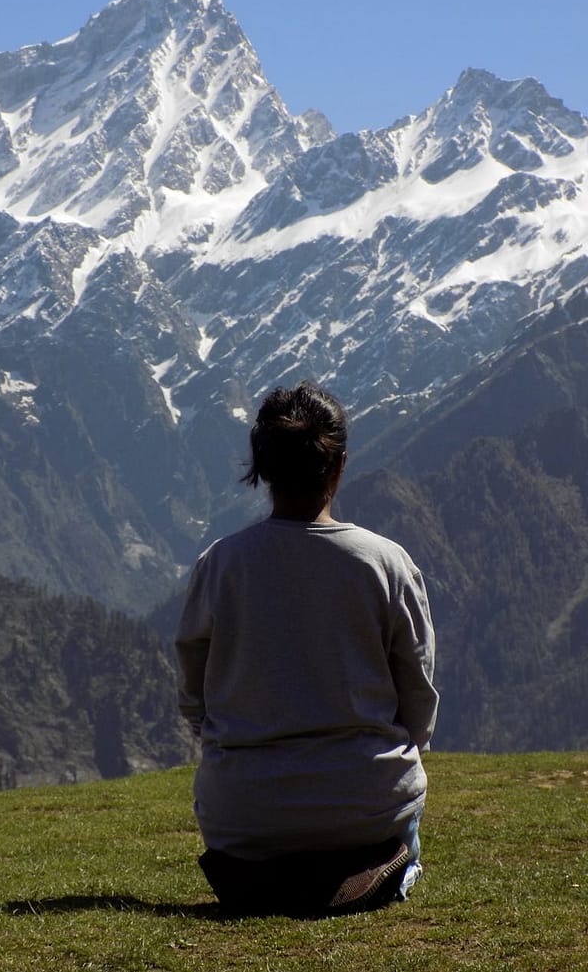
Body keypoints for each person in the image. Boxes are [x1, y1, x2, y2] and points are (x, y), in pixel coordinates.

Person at [175, 382, 439, 914]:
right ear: (339, 464)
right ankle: (386, 866)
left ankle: (259, 873)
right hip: (366, 805)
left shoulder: (221, 564)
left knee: (256, 849)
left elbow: (193, 687)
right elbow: (418, 693)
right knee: (399, 836)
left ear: (261, 468)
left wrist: (233, 743)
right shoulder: (385, 564)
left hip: (243, 814)